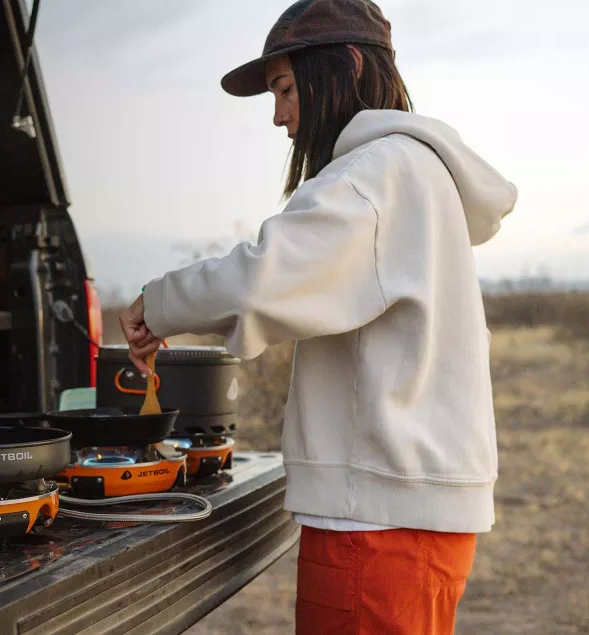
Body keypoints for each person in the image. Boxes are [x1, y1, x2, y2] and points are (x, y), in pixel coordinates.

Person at [117, 1, 517, 633]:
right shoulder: (417, 175)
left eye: (283, 89)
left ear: (348, 65)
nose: (278, 116)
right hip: (412, 520)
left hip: (375, 526)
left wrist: (158, 302)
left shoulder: (374, 174)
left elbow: (265, 278)